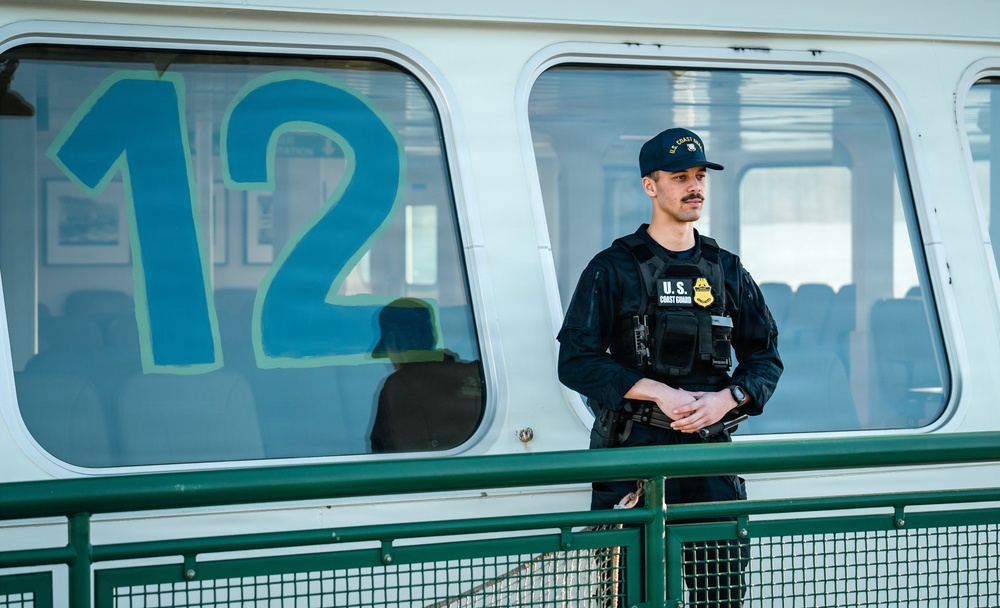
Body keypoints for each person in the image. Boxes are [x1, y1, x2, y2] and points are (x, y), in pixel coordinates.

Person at [556, 128, 782, 606]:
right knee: (633, 596)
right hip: (634, 456)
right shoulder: (611, 269)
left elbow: (765, 358)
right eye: (680, 177)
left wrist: (730, 398)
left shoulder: (727, 269)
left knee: (719, 596)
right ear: (650, 185)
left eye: (699, 175)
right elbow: (576, 362)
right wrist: (656, 391)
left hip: (709, 457)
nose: (694, 186)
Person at [369, 297, 484, 453]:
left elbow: (394, 460)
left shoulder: (398, 387)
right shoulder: (477, 373)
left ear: (395, 342)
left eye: (387, 349)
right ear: (433, 337)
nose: (388, 359)